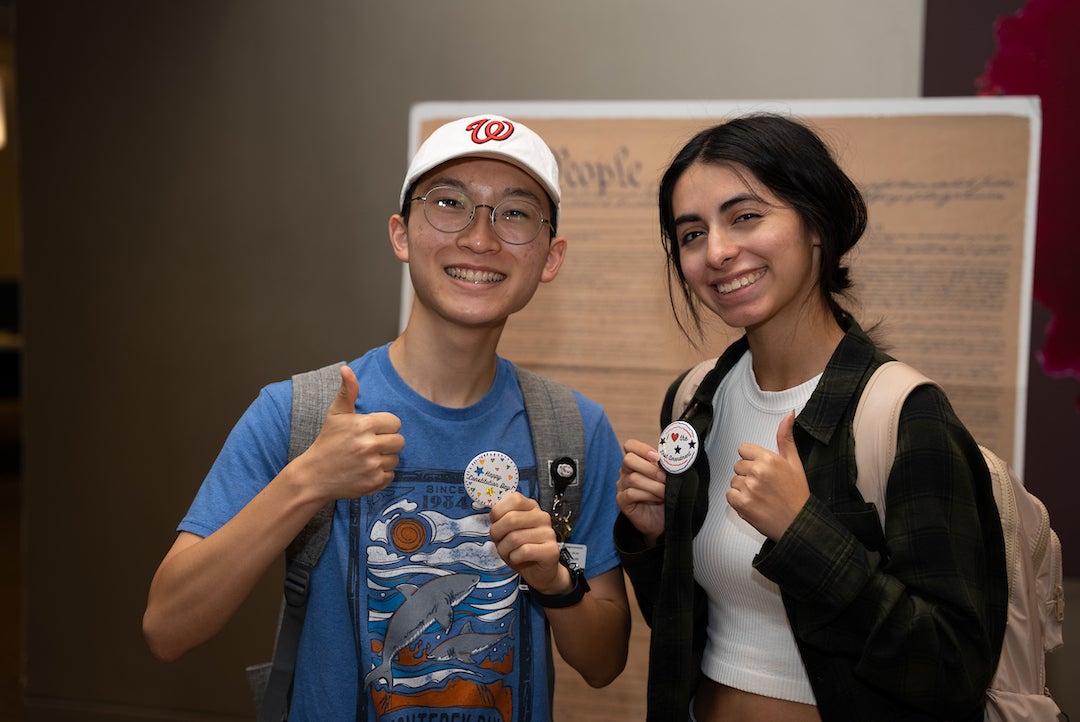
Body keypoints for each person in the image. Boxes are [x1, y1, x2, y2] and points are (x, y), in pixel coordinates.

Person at [143, 114, 631, 720]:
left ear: (550, 257)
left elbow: (605, 662)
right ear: (401, 235)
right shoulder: (296, 413)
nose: (480, 239)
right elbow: (167, 627)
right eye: (449, 204)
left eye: (514, 213)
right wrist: (307, 482)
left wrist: (557, 584)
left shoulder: (574, 430)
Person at [613, 113, 1008, 721]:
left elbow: (951, 669)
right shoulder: (695, 402)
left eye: (745, 216)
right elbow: (684, 622)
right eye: (691, 233)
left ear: (816, 225)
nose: (717, 251)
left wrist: (803, 533)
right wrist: (654, 538)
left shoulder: (904, 415)